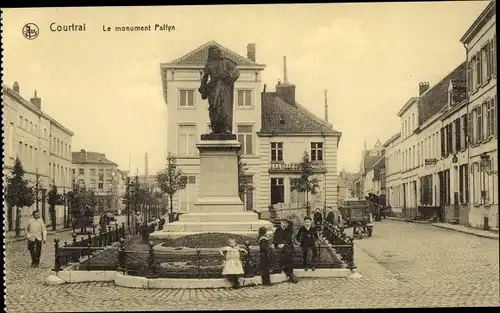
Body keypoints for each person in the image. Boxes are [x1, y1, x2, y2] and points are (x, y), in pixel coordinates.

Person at [199, 45, 240, 134]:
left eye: (217, 52)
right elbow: (205, 78)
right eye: (214, 52)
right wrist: (203, 88)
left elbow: (236, 71)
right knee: (213, 108)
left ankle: (225, 127)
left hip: (223, 88)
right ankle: (215, 128)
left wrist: (228, 76)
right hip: (212, 89)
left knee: (223, 107)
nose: (217, 53)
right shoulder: (208, 64)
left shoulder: (226, 62)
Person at [273, 218, 298, 283]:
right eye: (283, 223)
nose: (284, 224)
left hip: (287, 247)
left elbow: (289, 240)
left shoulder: (288, 230)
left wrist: (284, 244)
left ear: (287, 225)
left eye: (286, 223)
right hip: (280, 246)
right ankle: (290, 274)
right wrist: (279, 244)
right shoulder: (278, 230)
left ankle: (289, 273)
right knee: (287, 256)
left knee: (289, 256)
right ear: (281, 223)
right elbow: (276, 239)